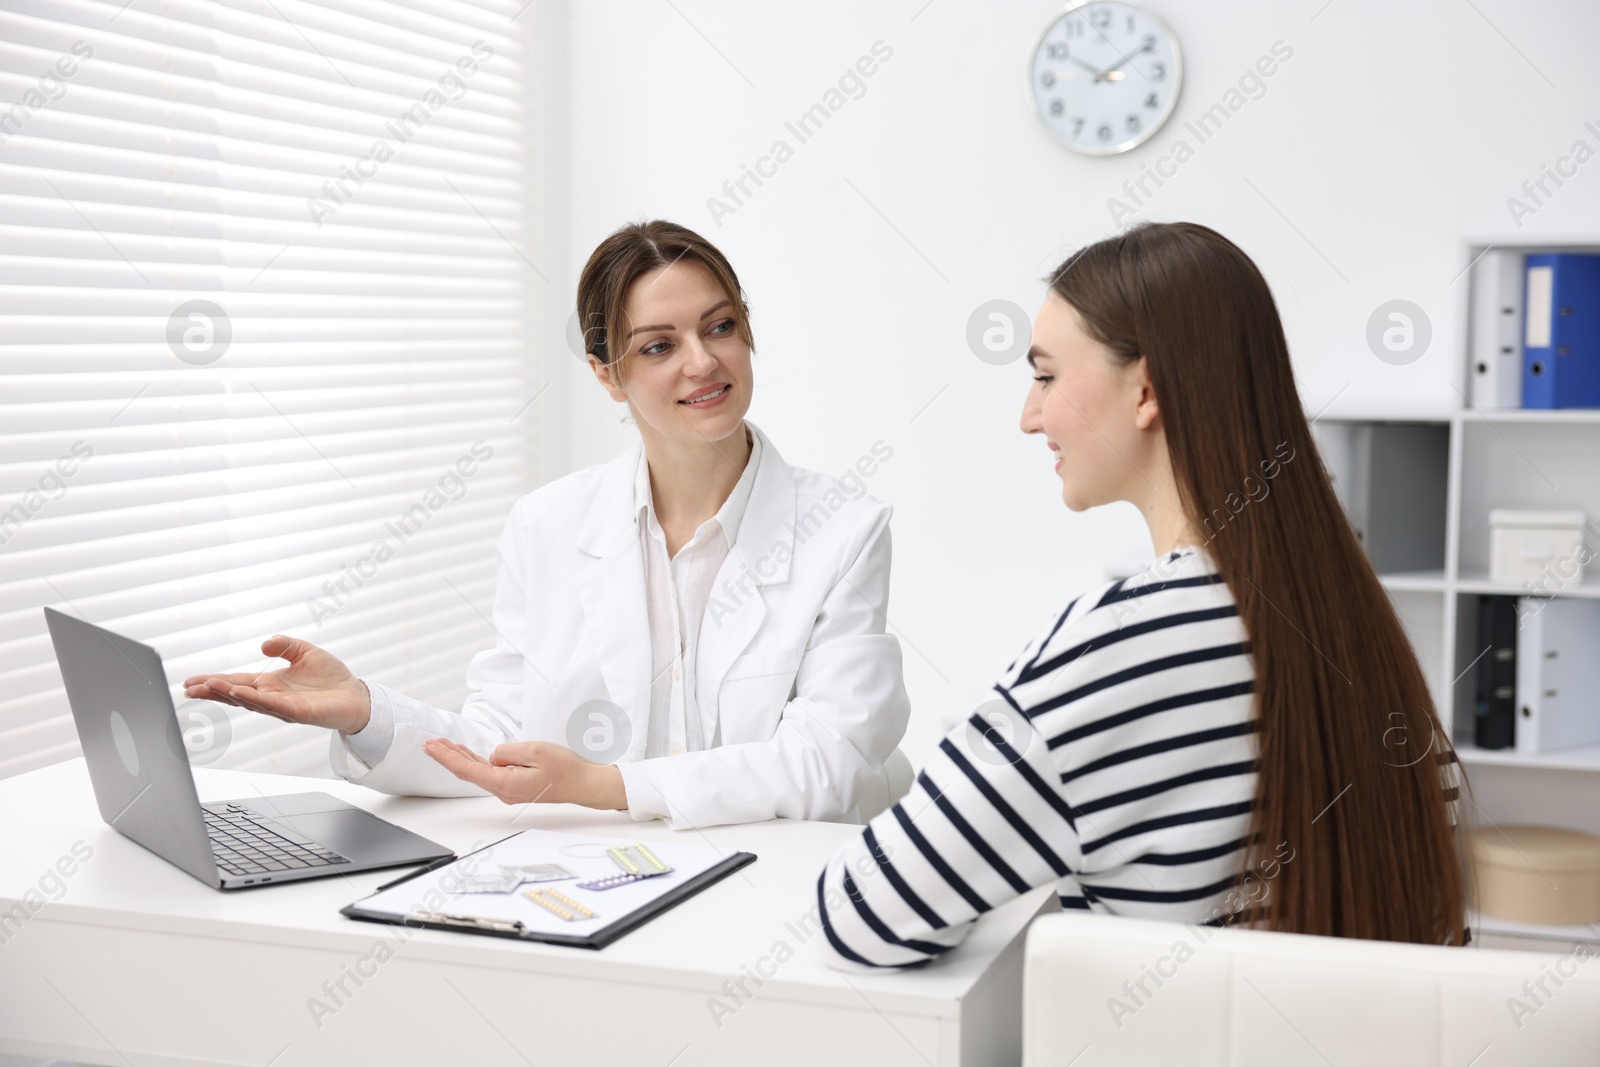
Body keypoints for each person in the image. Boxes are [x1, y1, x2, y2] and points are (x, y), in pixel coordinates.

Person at [816, 221, 1464, 968]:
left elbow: (862, 909)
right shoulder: (1357, 620)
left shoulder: (1120, 644)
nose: (1029, 415)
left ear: (1146, 390)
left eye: (1047, 375)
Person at [183, 220, 910, 829]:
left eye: (720, 327)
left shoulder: (842, 531)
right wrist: (365, 713)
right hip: (596, 880)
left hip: (763, 893)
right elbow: (503, 740)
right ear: (605, 372)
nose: (703, 361)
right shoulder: (549, 524)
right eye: (659, 345)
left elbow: (829, 761)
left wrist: (602, 785)